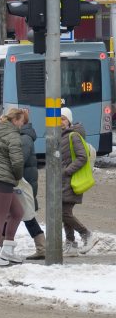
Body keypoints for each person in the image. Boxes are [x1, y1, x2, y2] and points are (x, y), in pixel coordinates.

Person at [0, 108, 27, 266]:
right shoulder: (13, 135)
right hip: (2, 179)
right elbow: (17, 162)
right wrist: (18, 176)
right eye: (22, 121)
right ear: (15, 120)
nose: (22, 125)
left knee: (17, 212)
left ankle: (7, 250)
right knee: (0, 218)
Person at [60, 107, 93, 256]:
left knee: (63, 212)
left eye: (63, 119)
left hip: (71, 180)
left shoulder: (72, 135)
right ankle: (71, 244)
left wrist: (67, 170)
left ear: (69, 121)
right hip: (64, 181)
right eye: (58, 119)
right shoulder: (61, 136)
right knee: (64, 212)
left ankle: (86, 234)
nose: (60, 122)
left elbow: (82, 157)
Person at [18, 110, 46, 259]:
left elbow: (19, 160)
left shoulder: (24, 139)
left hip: (24, 183)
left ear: (20, 121)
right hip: (25, 182)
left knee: (24, 215)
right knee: (18, 215)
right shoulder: (23, 137)